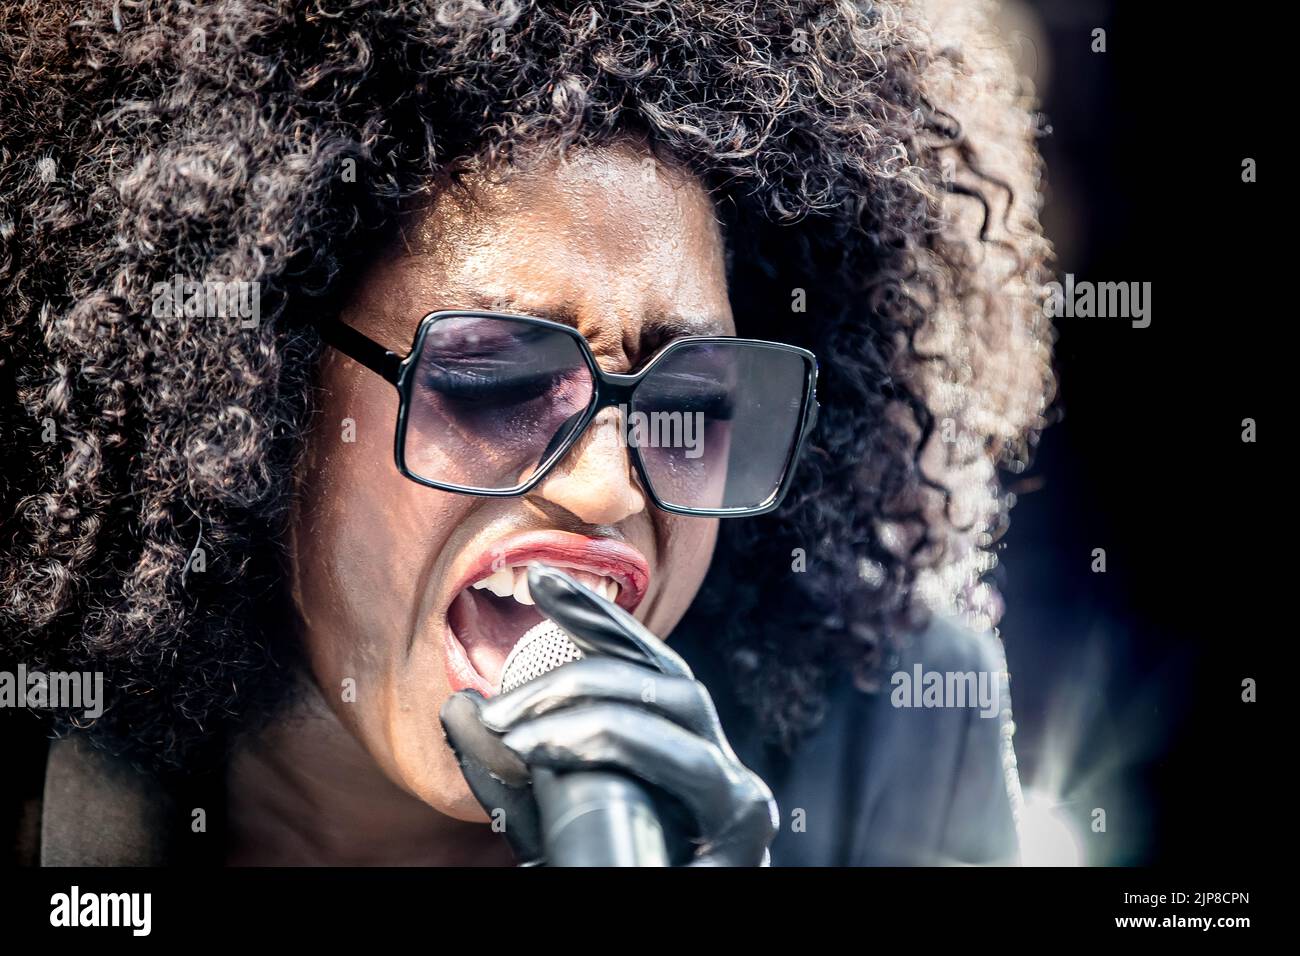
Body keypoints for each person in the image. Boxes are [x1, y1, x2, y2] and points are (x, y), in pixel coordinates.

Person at [0, 0, 1053, 866]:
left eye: (701, 402)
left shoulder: (894, 734)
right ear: (264, 388)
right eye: (498, 378)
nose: (609, 490)